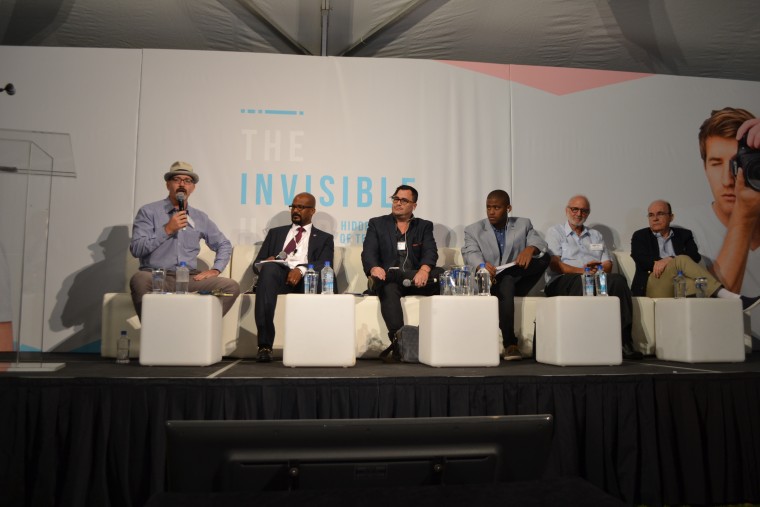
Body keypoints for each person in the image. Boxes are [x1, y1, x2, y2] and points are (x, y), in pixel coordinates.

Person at [677, 108, 760, 343]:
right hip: (723, 350)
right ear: (704, 168)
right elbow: (711, 319)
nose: (728, 180)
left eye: (738, 163)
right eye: (716, 163)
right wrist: (744, 215)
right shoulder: (685, 226)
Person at [129, 161, 240, 319]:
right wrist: (167, 229)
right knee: (139, 279)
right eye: (177, 179)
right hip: (157, 276)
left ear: (193, 187)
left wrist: (216, 269)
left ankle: (199, 330)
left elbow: (223, 244)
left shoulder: (199, 217)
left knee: (230, 286)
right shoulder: (149, 212)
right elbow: (137, 249)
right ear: (168, 184)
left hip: (188, 278)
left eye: (187, 181)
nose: (182, 184)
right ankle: (154, 334)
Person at [545, 195, 643, 360]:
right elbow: (555, 265)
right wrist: (582, 271)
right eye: (574, 209)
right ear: (567, 210)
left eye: (583, 210)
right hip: (563, 280)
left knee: (618, 281)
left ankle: (624, 341)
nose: (578, 213)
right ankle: (579, 342)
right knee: (583, 281)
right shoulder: (555, 232)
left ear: (588, 213)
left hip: (594, 277)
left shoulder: (595, 235)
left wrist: (597, 268)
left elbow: (607, 264)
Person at [462, 190, 549, 361]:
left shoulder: (523, 224)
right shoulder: (473, 230)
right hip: (490, 280)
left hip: (518, 278)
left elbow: (540, 242)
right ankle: (510, 344)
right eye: (488, 207)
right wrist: (481, 266)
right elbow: (470, 253)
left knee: (545, 257)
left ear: (508, 208)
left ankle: (506, 274)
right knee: (506, 280)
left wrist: (530, 249)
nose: (491, 212)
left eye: (496, 207)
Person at [631, 199, 760, 309]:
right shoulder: (640, 236)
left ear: (671, 217)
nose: (655, 218)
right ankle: (731, 296)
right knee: (682, 259)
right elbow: (640, 258)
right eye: (651, 215)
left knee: (702, 287)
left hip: (679, 282)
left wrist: (669, 259)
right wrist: (670, 261)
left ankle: (732, 307)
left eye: (660, 214)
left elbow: (694, 255)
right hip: (654, 282)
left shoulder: (684, 234)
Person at [361, 184, 441, 361]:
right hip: (385, 280)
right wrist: (374, 268)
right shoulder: (377, 224)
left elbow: (431, 251)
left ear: (414, 205)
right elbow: (368, 252)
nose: (398, 203)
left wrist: (424, 270)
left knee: (441, 275)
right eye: (395, 199)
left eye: (404, 200)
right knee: (388, 286)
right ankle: (399, 343)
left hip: (416, 280)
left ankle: (438, 340)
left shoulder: (424, 226)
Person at [252, 192, 334, 363]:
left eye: (301, 207)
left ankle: (316, 345)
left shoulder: (325, 238)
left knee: (319, 276)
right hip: (279, 276)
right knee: (268, 271)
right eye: (293, 207)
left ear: (312, 211)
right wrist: (267, 262)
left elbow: (325, 263)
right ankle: (265, 346)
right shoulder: (275, 233)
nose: (295, 210)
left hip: (307, 278)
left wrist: (301, 269)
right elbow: (256, 263)